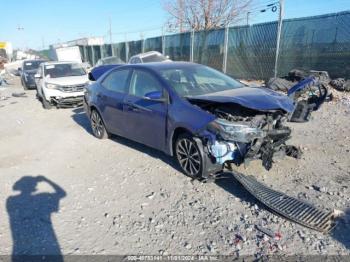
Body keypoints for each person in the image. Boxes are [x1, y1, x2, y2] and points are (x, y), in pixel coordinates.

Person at [7, 176, 66, 261]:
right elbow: (62, 193)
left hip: (19, 241)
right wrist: (47, 180)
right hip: (46, 236)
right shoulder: (41, 197)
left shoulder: (11, 200)